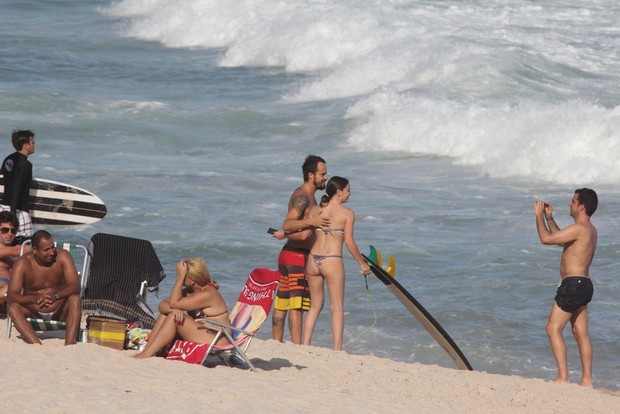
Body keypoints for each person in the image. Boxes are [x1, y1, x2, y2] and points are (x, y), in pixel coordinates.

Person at [534, 188, 598, 387]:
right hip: (584, 284)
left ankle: (563, 376)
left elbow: (545, 239)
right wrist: (549, 218)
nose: (570, 204)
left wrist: (538, 216)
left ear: (581, 207)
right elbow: (562, 240)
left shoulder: (579, 229)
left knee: (553, 328)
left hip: (573, 285)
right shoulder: (589, 229)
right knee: (581, 333)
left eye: (573, 201)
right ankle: (586, 380)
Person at [303, 176, 370, 351]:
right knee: (337, 307)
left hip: (313, 259)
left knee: (315, 305)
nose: (350, 193)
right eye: (348, 190)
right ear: (338, 192)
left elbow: (305, 233)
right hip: (332, 260)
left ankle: (304, 345)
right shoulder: (347, 213)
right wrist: (362, 264)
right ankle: (337, 349)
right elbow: (349, 242)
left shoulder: (315, 210)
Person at [270, 155, 329, 345]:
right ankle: (296, 346)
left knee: (282, 300)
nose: (326, 177)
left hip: (288, 254)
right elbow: (288, 223)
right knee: (296, 304)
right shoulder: (303, 196)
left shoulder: (310, 197)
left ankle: (276, 343)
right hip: (297, 256)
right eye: (323, 174)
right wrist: (313, 222)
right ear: (310, 175)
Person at [134, 258, 230, 358]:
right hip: (205, 332)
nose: (180, 278)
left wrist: (179, 278)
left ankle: (147, 354)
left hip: (218, 338)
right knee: (166, 313)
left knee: (173, 318)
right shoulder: (191, 291)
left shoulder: (207, 294)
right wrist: (174, 310)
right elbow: (162, 305)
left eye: (183, 276)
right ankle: (148, 349)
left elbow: (174, 303)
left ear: (192, 280)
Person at [7, 230, 81, 345]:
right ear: (35, 250)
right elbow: (11, 296)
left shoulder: (63, 256)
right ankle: (36, 344)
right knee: (13, 308)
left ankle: (70, 344)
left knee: (75, 299)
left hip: (59, 311)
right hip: (33, 311)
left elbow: (75, 285)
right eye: (46, 250)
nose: (51, 252)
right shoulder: (22, 263)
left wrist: (56, 296)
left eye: (52, 247)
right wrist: (33, 299)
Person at [1, 130, 36, 241]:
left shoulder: (8, 159)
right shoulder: (26, 165)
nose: (34, 145)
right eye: (32, 142)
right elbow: (17, 187)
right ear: (26, 146)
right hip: (18, 211)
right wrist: (13, 214)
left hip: (3, 208)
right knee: (23, 247)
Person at [0, 211, 27, 312]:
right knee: (11, 289)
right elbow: (16, 250)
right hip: (4, 287)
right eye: (5, 230)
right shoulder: (9, 251)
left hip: (10, 292)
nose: (10, 234)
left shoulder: (11, 256)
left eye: (13, 231)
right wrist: (42, 246)